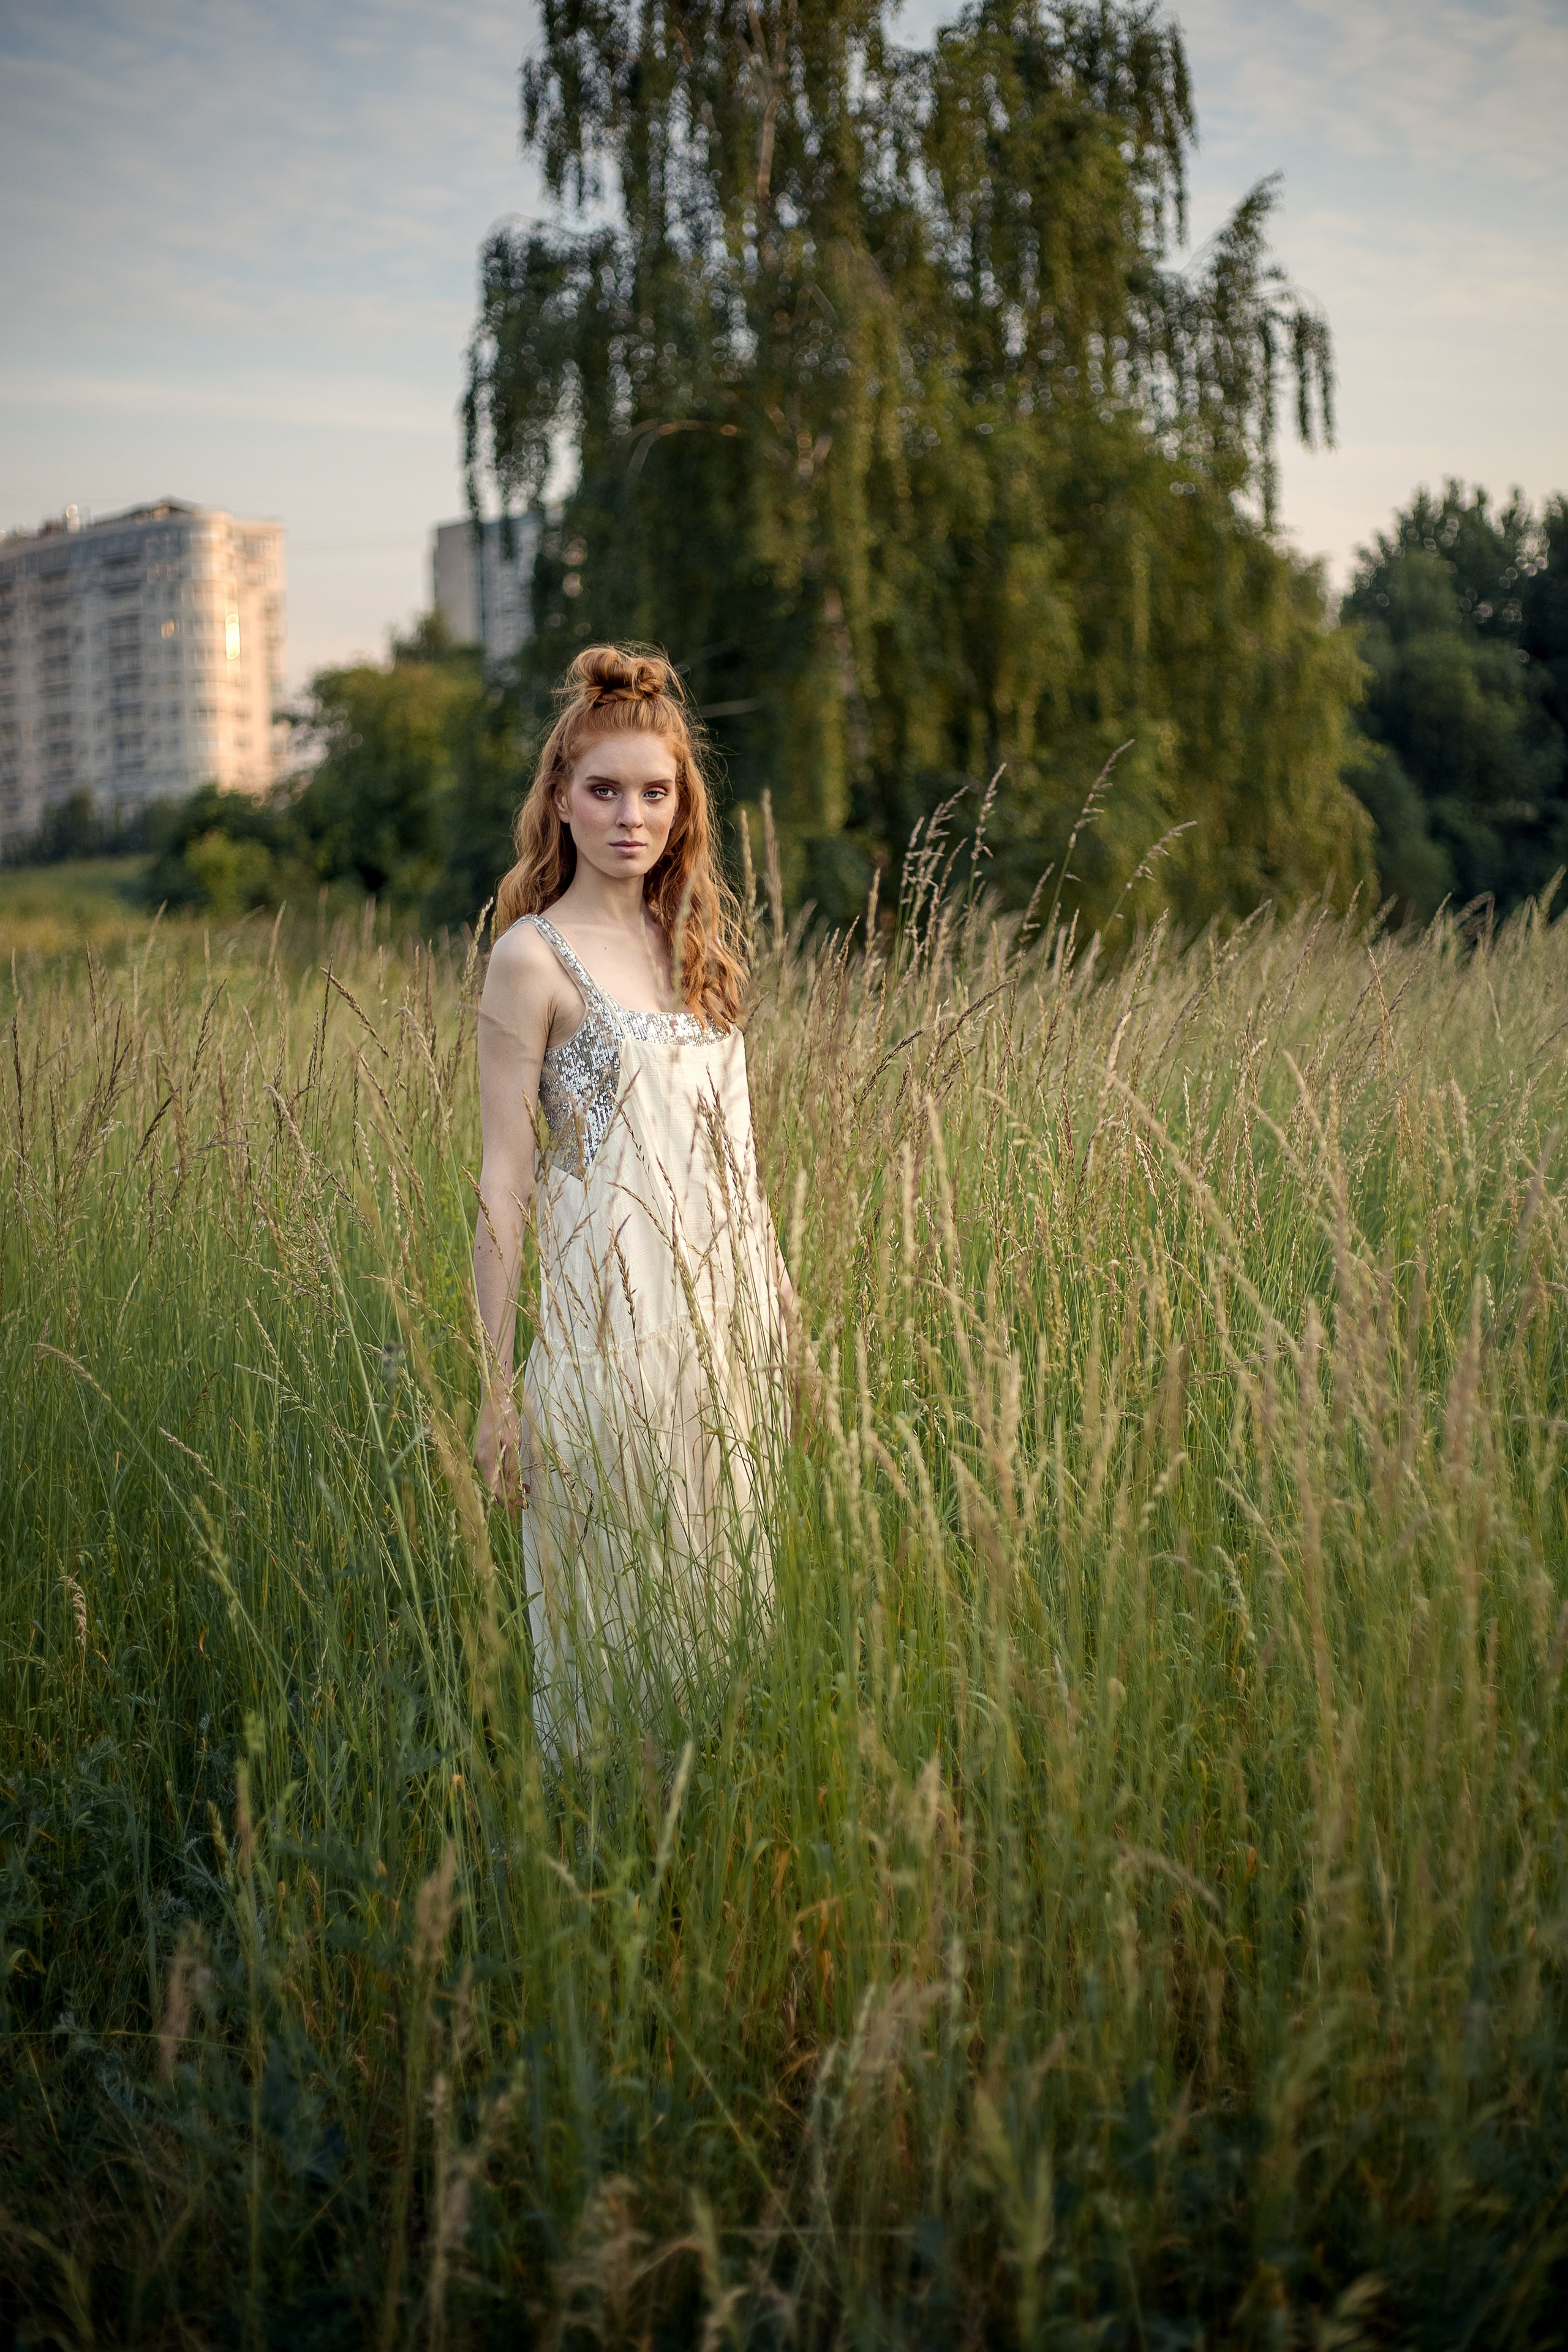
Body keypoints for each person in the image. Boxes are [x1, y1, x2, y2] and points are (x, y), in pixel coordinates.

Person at [471, 644, 790, 1752]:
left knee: (722, 1580)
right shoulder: (531, 958)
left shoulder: (693, 945)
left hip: (721, 1313)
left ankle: (710, 1831)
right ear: (561, 800)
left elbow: (739, 1159)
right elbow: (503, 1180)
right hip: (605, 1318)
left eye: (655, 793)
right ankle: (604, 1839)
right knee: (616, 1585)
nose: (630, 817)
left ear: (681, 804)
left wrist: (783, 1304)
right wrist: (494, 1388)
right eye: (604, 791)